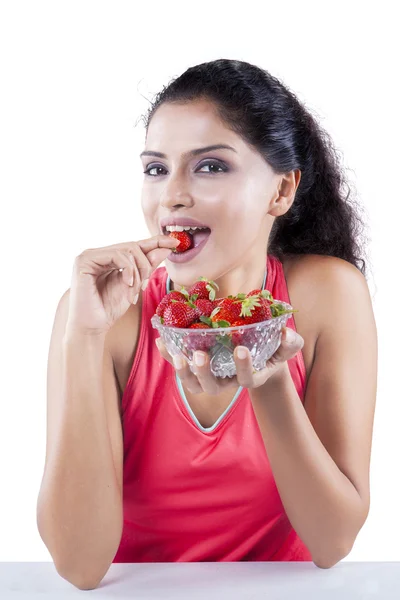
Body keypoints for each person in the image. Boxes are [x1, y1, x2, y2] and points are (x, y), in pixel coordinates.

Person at [36, 59, 377, 590]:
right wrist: (83, 338)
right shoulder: (105, 314)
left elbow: (331, 542)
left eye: (210, 167)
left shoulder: (327, 295)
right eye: (155, 169)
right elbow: (80, 567)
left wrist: (268, 383)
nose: (171, 195)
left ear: (281, 191)